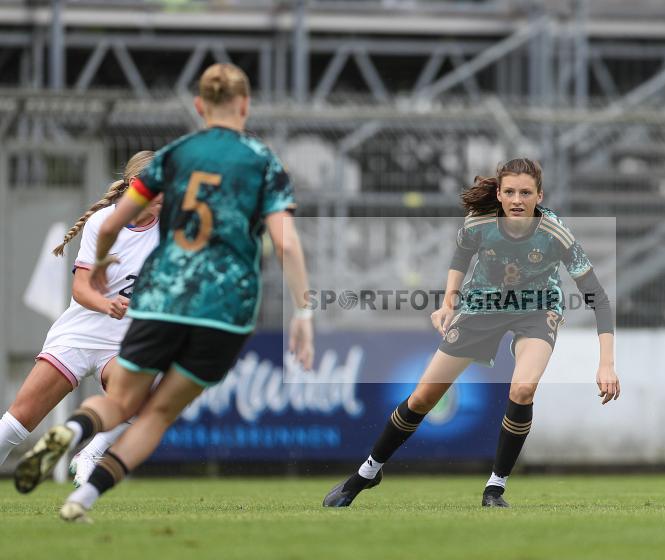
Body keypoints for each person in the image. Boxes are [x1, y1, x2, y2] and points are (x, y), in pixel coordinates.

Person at [14, 63, 314, 523]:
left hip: (143, 319)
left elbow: (115, 227)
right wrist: (303, 312)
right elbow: (286, 242)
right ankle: (84, 484)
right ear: (245, 104)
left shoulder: (177, 158)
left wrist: (104, 263)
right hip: (220, 310)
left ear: (199, 106)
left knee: (124, 403)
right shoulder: (262, 160)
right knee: (151, 411)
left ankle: (79, 438)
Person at [323, 157, 620, 508]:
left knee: (523, 389)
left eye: (526, 193)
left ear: (540, 196)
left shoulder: (556, 233)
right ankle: (368, 472)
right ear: (498, 192)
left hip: (537, 311)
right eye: (509, 192)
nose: (517, 200)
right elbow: (461, 257)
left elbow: (598, 298)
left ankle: (495, 488)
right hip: (481, 308)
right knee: (422, 399)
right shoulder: (479, 222)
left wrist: (606, 364)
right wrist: (449, 302)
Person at [0, 151, 160, 488]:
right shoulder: (105, 222)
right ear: (134, 186)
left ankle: (90, 453)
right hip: (82, 332)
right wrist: (107, 305)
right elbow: (80, 289)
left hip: (122, 343)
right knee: (19, 420)